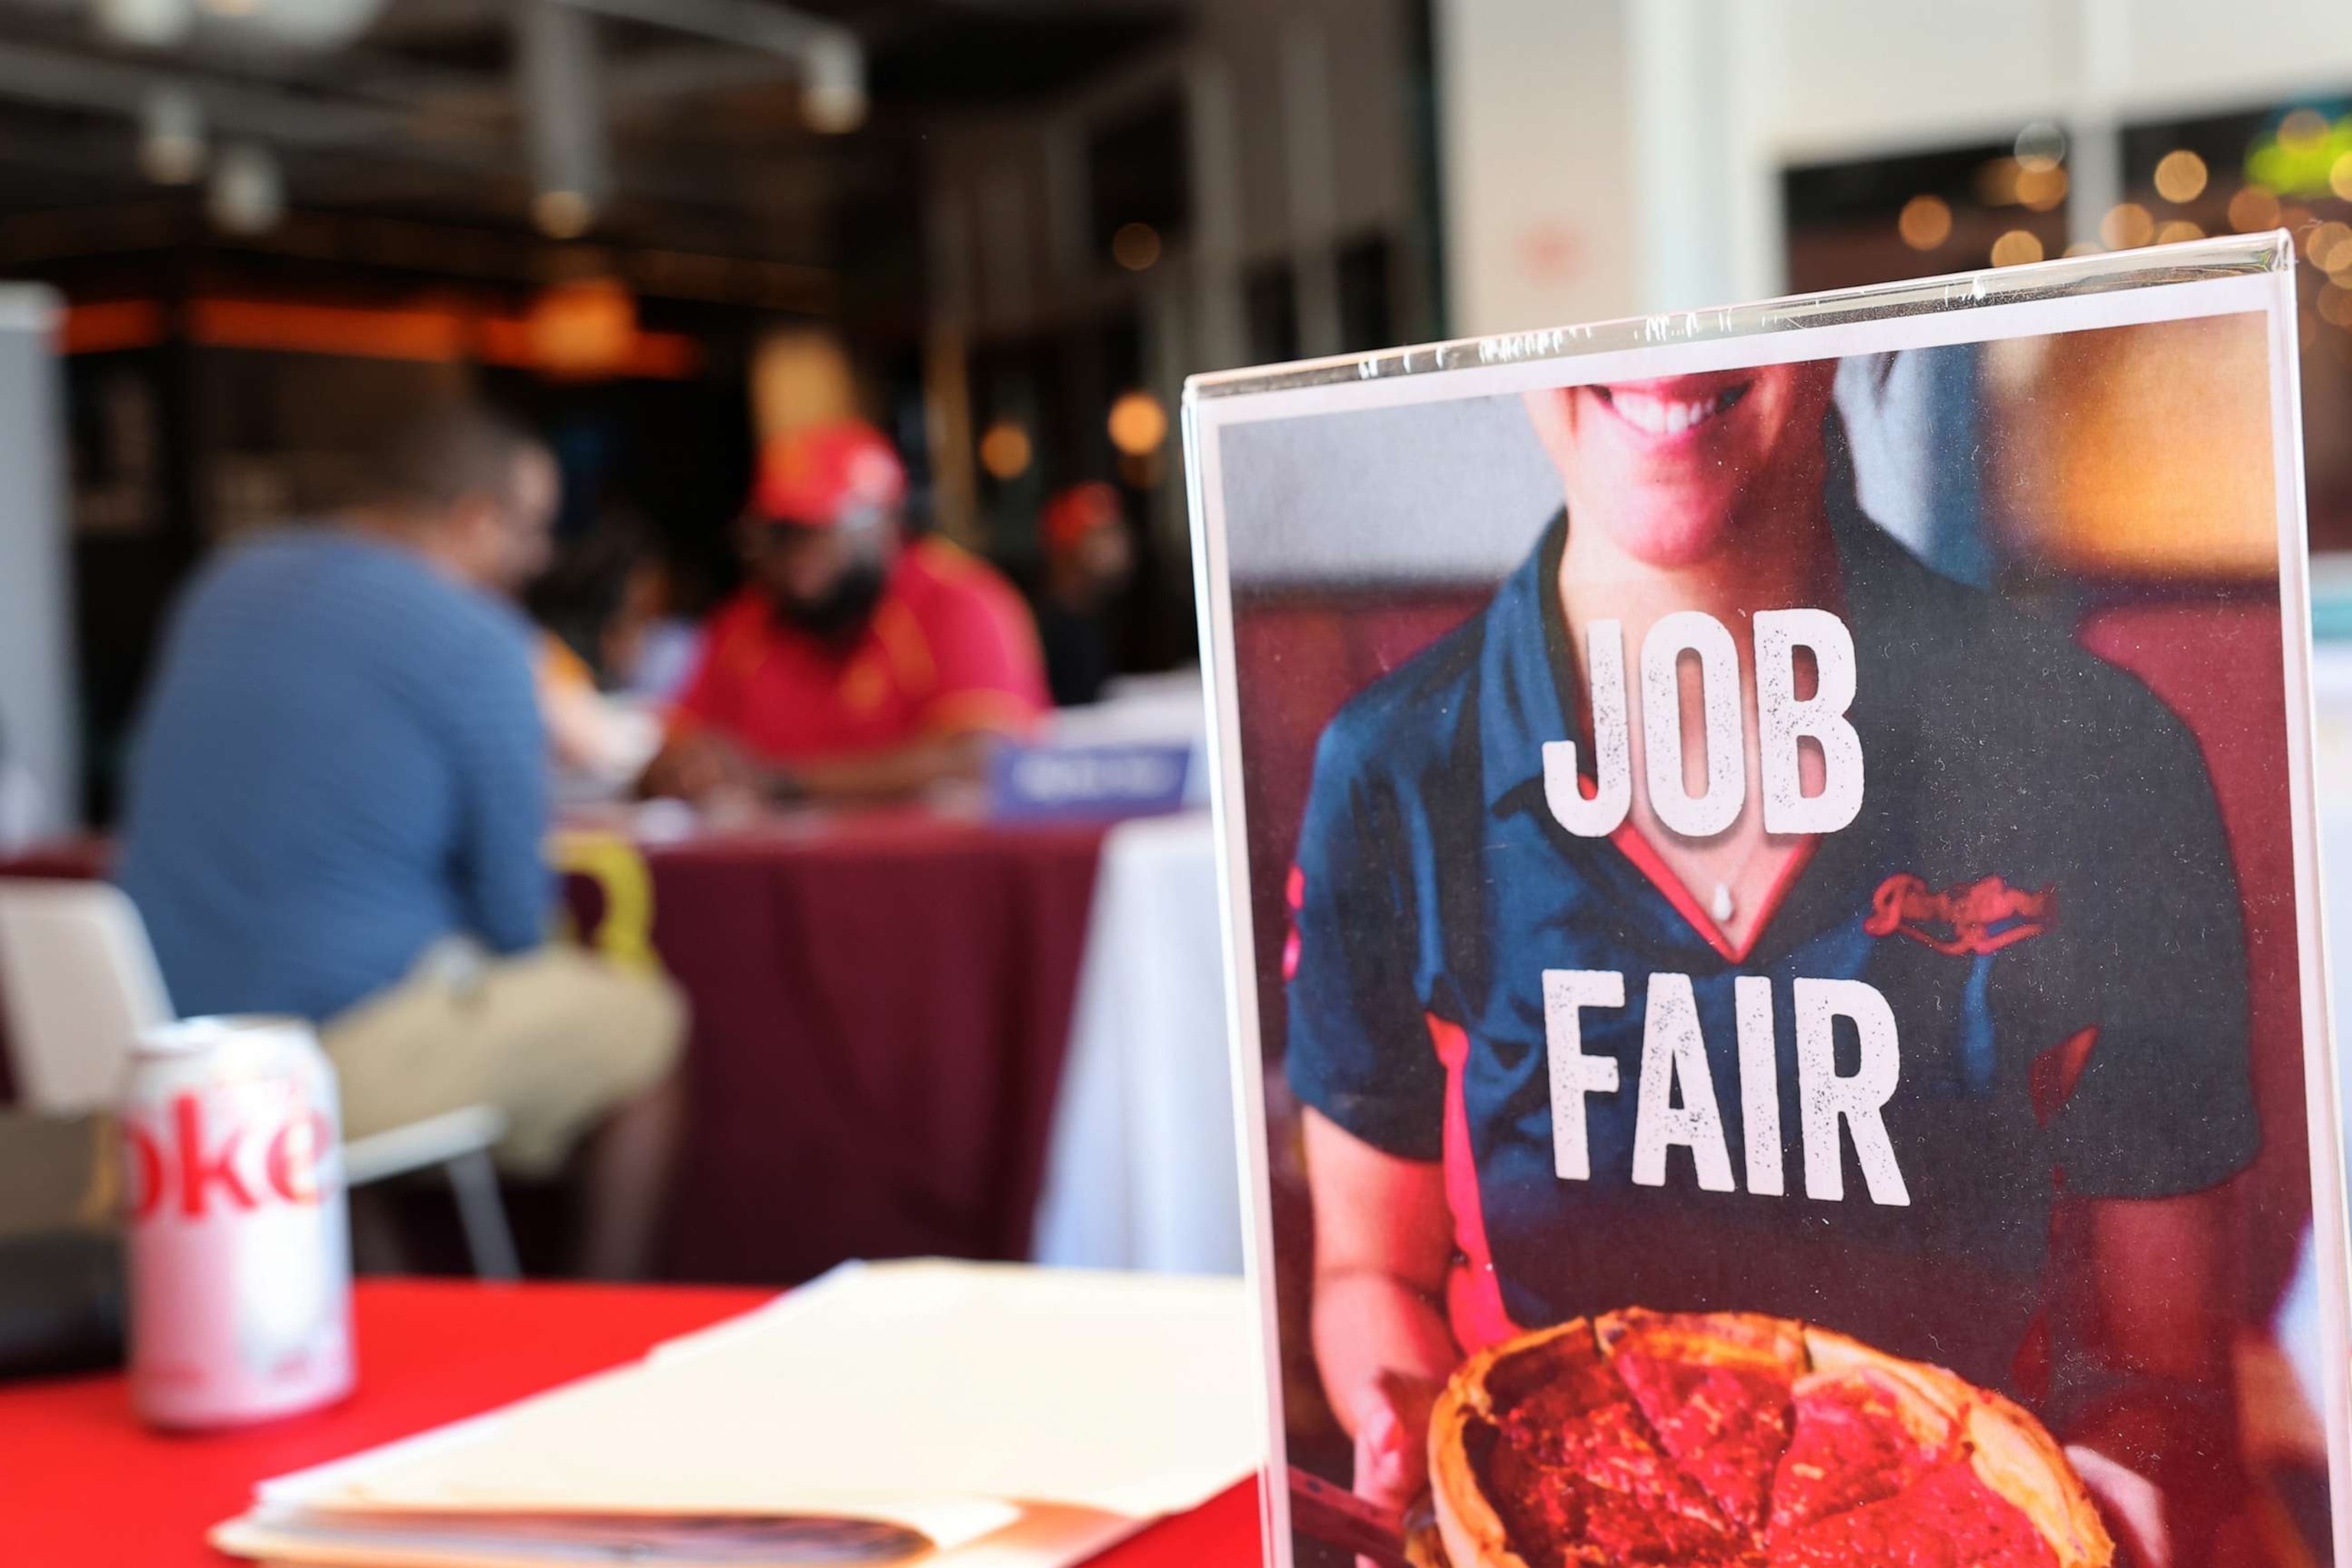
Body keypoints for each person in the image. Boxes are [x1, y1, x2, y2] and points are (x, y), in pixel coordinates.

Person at [1287, 365, 2256, 1565]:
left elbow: (2164, 1373)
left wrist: (2128, 1480)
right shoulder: (1392, 767)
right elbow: (1368, 1269)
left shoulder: (2105, 755)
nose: (1664, 343)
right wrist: (1404, 1424)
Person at [115, 403, 686, 1279]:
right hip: (315, 1067)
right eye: (531, 530)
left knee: (369, 1015)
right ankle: (606, 1333)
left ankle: (373, 1307)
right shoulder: (482, 643)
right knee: (644, 1024)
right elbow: (514, 920)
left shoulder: (224, 580)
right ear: (473, 519)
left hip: (153, 1047)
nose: (539, 559)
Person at [640, 418, 1049, 803]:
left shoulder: (959, 600)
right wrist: (681, 772)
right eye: (779, 532)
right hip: (769, 869)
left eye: (817, 528)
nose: (795, 555)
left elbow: (987, 757)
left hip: (934, 869)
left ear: (885, 521)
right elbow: (668, 755)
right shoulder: (745, 622)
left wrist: (783, 782)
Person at [1031, 481, 1135, 707]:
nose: (1117, 546)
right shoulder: (1041, 631)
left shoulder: (1107, 616)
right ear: (1065, 549)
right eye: (1100, 535)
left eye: (1115, 532)